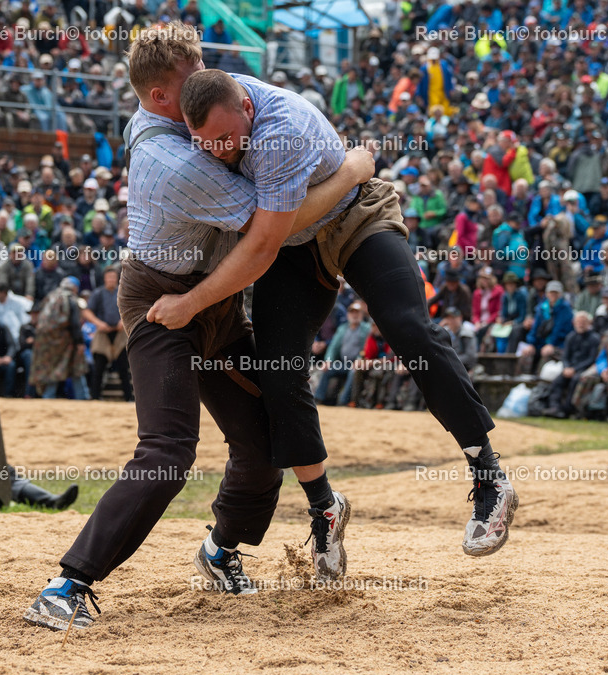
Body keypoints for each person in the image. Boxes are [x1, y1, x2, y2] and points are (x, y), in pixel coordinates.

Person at [23, 23, 372, 632]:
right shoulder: (175, 158)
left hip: (211, 300)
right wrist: (350, 170)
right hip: (162, 304)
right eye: (193, 78)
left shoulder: (181, 118)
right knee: (168, 450)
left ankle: (219, 551)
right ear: (161, 96)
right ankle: (67, 584)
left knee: (263, 439)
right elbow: (275, 227)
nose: (213, 83)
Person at [151, 66, 515, 560]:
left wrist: (351, 176)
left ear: (248, 109)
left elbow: (266, 236)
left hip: (352, 215)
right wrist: (350, 166)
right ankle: (324, 507)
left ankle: (489, 476)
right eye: (205, 143)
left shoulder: (281, 129)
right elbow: (273, 230)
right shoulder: (201, 109)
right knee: (278, 372)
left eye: (224, 139)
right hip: (294, 244)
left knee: (409, 328)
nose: (216, 151)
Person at [83, 266, 132, 401]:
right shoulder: (98, 293)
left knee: (124, 368)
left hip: (120, 333)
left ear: (117, 278)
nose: (111, 279)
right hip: (102, 333)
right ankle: (95, 397)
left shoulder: (123, 292)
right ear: (104, 278)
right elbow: (87, 312)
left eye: (113, 277)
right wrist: (99, 323)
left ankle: (128, 398)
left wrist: (123, 321)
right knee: (98, 368)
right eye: (109, 277)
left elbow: (131, 308)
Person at [545, 312, 600, 419]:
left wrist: (575, 369)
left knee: (575, 380)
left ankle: (567, 409)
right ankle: (554, 407)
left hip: (585, 369)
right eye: (578, 322)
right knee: (557, 381)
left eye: (583, 322)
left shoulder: (594, 338)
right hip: (569, 368)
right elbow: (565, 356)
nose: (581, 324)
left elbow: (591, 359)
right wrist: (566, 368)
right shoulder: (571, 337)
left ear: (589, 323)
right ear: (574, 323)